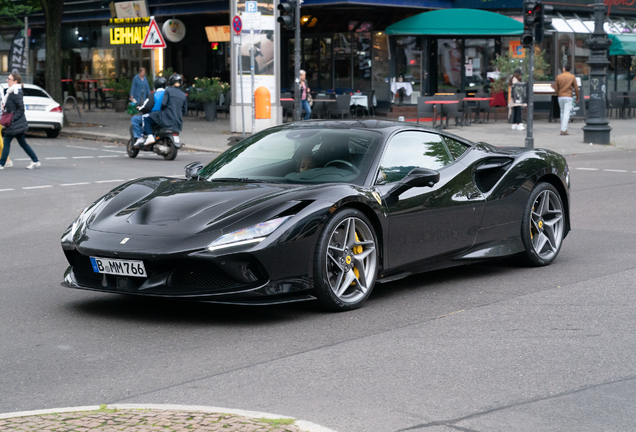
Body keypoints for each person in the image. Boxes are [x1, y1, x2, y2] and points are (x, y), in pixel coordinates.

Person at [0, 73, 40, 170]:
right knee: (22, 143)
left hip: (14, 123)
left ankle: (1, 164)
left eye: (9, 79)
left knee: (7, 143)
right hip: (15, 123)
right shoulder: (12, 91)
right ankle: (35, 161)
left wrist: (13, 118)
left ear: (15, 81)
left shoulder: (16, 92)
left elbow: (21, 108)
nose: (7, 80)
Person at [143, 74, 187, 145]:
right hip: (178, 123)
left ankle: (149, 137)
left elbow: (163, 104)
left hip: (167, 118)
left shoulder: (168, 91)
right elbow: (185, 110)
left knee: (146, 117)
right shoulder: (183, 95)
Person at [131, 76, 167, 146]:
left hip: (154, 117)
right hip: (165, 117)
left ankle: (140, 137)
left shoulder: (153, 95)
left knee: (135, 119)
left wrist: (140, 108)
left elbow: (146, 106)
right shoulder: (168, 94)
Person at [552, 64, 580, 136]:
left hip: (560, 96)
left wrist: (558, 93)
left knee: (562, 112)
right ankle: (563, 129)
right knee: (567, 113)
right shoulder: (572, 77)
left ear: (564, 69)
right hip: (569, 96)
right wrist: (577, 97)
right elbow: (576, 88)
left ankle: (563, 128)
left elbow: (556, 88)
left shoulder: (558, 77)